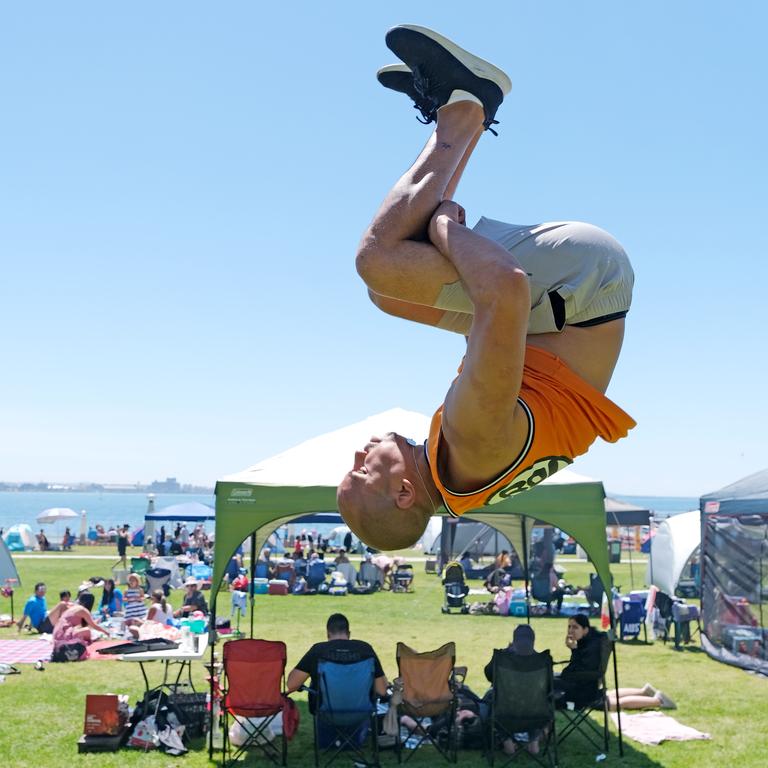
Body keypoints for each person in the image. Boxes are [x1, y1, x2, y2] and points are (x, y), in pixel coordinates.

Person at [337, 25, 635, 550]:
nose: (359, 454)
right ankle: (464, 107)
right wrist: (448, 229)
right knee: (378, 261)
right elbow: (506, 288)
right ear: (404, 493)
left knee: (388, 291)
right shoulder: (468, 437)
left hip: (557, 316)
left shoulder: (459, 478)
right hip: (580, 285)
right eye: (361, 471)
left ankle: (464, 111)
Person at [287, 613, 388, 748]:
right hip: (361, 713)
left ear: (328, 633)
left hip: (327, 713)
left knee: (314, 685)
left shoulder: (318, 651)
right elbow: (382, 690)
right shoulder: (365, 649)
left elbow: (291, 684)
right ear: (349, 633)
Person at [484, 624, 545, 755]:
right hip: (534, 713)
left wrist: (506, 651)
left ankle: (507, 742)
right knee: (535, 701)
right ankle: (533, 741)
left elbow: (489, 675)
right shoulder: (541, 661)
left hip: (505, 713)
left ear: (514, 640)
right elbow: (548, 688)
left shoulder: (502, 658)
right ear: (533, 641)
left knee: (489, 698)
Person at [554, 615, 606, 706]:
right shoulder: (589, 640)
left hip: (582, 689)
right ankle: (640, 691)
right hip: (584, 683)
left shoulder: (592, 646)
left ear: (585, 630)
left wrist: (574, 650)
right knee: (549, 676)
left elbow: (579, 668)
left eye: (575, 627)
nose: (570, 630)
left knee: (547, 680)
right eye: (569, 627)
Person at [52, 592, 109, 657]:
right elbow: (93, 625)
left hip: (57, 633)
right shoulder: (83, 610)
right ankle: (89, 642)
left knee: (84, 630)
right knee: (87, 631)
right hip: (64, 634)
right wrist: (106, 632)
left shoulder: (74, 607)